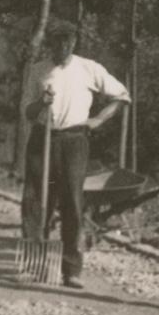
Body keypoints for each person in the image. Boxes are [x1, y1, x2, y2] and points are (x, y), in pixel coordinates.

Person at [21, 21, 129, 289]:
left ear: (74, 42)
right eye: (58, 41)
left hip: (74, 141)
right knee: (35, 200)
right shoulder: (38, 70)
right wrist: (40, 104)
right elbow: (27, 111)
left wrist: (98, 120)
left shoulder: (88, 68)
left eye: (68, 41)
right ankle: (35, 263)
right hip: (42, 138)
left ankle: (71, 269)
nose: (63, 46)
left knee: (72, 203)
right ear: (51, 43)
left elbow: (122, 96)